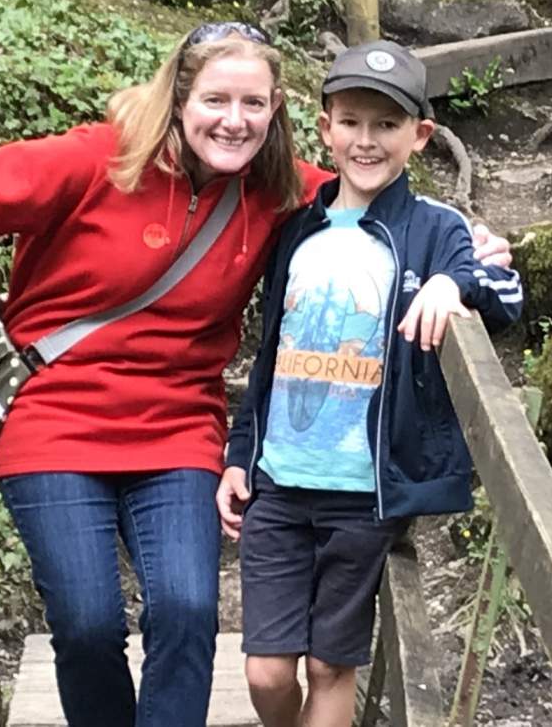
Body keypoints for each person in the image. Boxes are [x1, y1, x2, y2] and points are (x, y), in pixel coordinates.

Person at [0, 23, 513, 727]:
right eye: (216, 100)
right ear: (178, 98)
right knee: (84, 623)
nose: (234, 121)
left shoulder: (276, 192)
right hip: (55, 418)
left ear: (278, 113)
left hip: (177, 428)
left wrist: (466, 259)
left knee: (188, 610)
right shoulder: (96, 160)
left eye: (254, 105)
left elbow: (375, 195)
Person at [216, 40, 524, 727]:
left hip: (365, 492)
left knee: (331, 664)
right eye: (351, 121)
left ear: (419, 137)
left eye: (386, 125)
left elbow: (508, 292)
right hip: (279, 484)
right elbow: (270, 355)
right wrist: (240, 455)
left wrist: (454, 280)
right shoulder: (296, 231)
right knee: (266, 670)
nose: (366, 140)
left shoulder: (437, 228)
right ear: (325, 127)